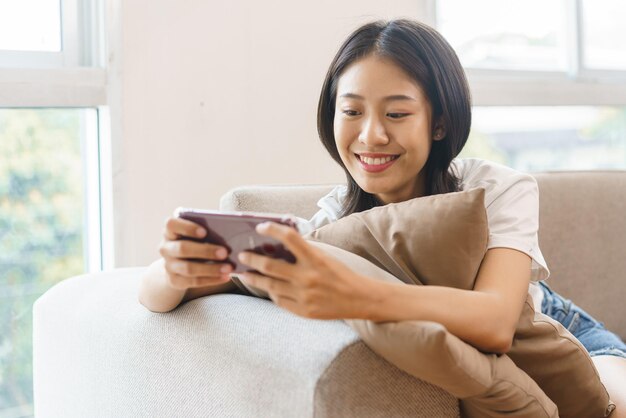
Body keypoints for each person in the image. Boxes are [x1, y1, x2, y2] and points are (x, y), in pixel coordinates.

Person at [139, 19, 626, 415]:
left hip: (560, 326)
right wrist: (173, 270)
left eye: (396, 115)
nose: (370, 136)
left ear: (438, 122)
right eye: (351, 112)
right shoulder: (332, 219)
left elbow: (497, 322)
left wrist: (355, 295)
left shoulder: (496, 188)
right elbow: (156, 297)